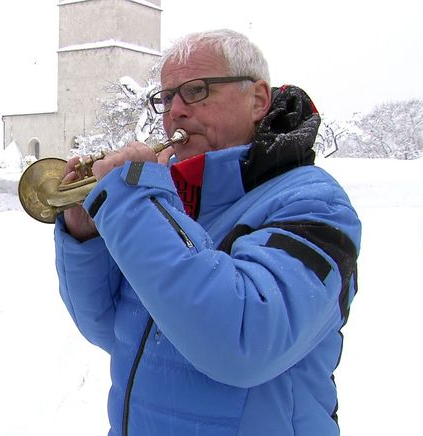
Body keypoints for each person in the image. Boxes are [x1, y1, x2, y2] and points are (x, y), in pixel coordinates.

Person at [54, 29, 361, 436]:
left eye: (196, 91)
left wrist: (136, 204)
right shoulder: (171, 200)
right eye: (166, 98)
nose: (174, 112)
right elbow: (112, 328)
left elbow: (245, 342)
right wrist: (87, 235)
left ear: (258, 100)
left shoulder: (313, 202)